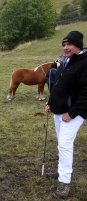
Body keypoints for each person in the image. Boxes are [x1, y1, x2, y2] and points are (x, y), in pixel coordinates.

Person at [45, 31, 87, 199]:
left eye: (69, 44)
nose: (66, 48)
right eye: (64, 44)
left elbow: (86, 92)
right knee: (61, 144)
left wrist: (72, 112)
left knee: (64, 144)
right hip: (59, 110)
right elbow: (57, 85)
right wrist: (50, 103)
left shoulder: (84, 63)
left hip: (73, 113)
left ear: (78, 45)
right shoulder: (65, 61)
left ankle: (64, 181)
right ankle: (62, 171)